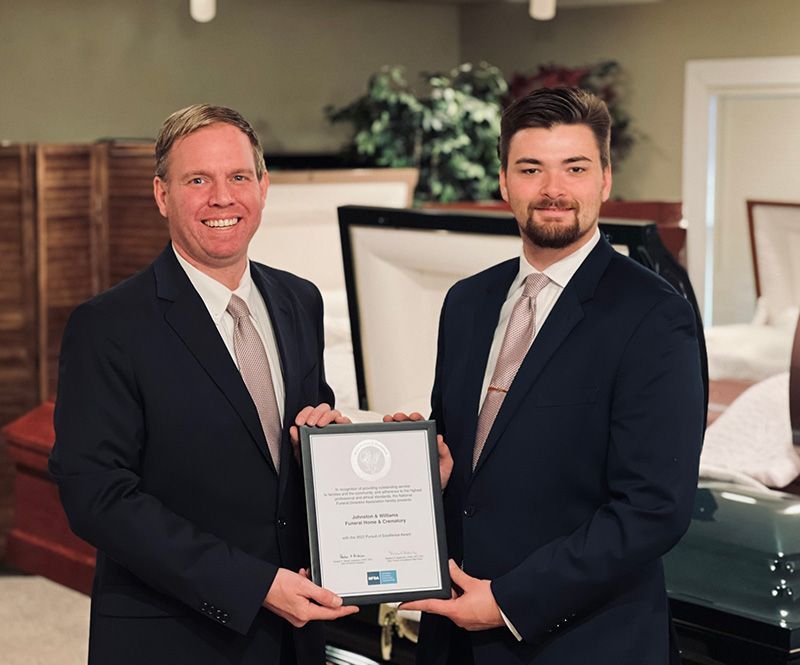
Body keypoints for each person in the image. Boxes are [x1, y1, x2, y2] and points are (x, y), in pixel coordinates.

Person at [391, 88, 705, 664]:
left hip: (580, 641)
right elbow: (480, 472)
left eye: (575, 168)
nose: (553, 190)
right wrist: (424, 473)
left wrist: (510, 600)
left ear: (606, 180)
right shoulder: (467, 302)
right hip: (454, 637)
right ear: (504, 182)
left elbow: (654, 508)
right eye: (531, 168)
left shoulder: (654, 315)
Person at [49, 104, 358, 665]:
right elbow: (97, 496)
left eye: (239, 177)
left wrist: (323, 444)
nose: (222, 197)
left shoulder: (299, 301)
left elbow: (302, 436)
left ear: (263, 188)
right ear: (162, 195)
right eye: (198, 180)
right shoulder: (108, 326)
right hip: (174, 636)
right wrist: (255, 584)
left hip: (295, 640)